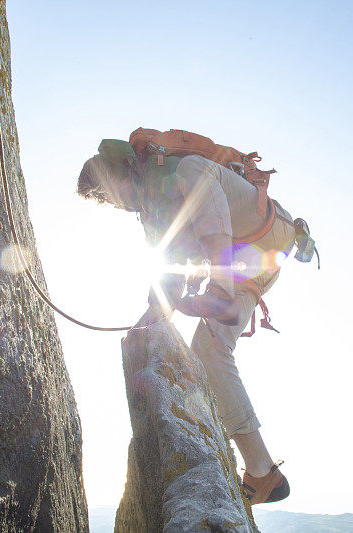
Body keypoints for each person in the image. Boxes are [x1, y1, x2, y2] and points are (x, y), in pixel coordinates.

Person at [77, 138, 295, 504]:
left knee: (193, 169)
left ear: (123, 171)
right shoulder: (152, 215)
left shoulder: (170, 169)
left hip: (264, 229)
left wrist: (217, 285)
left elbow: (196, 197)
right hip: (255, 270)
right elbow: (169, 274)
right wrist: (151, 318)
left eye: (110, 192)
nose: (115, 202)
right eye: (107, 200)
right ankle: (263, 474)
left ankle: (221, 287)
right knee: (209, 352)